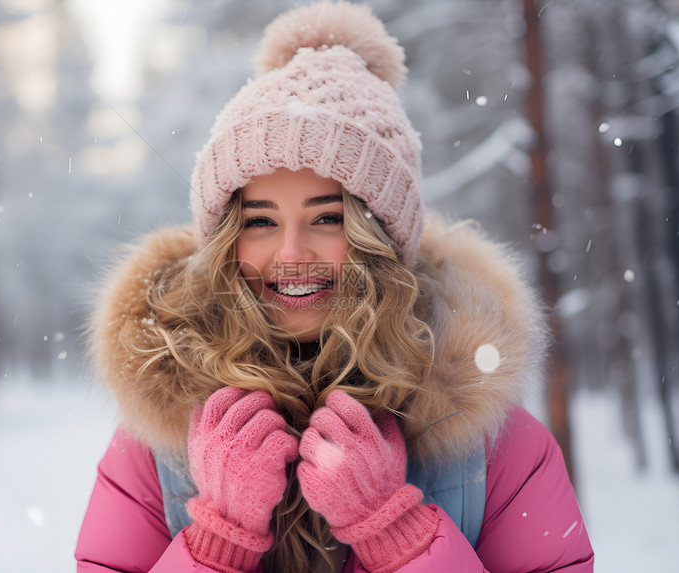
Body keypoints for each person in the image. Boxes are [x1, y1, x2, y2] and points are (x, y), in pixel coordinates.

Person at [75, 2, 595, 572]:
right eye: (260, 221)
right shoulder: (156, 449)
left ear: (384, 239)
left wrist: (395, 535)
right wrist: (218, 542)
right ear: (226, 240)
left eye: (328, 218)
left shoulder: (492, 446)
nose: (292, 254)